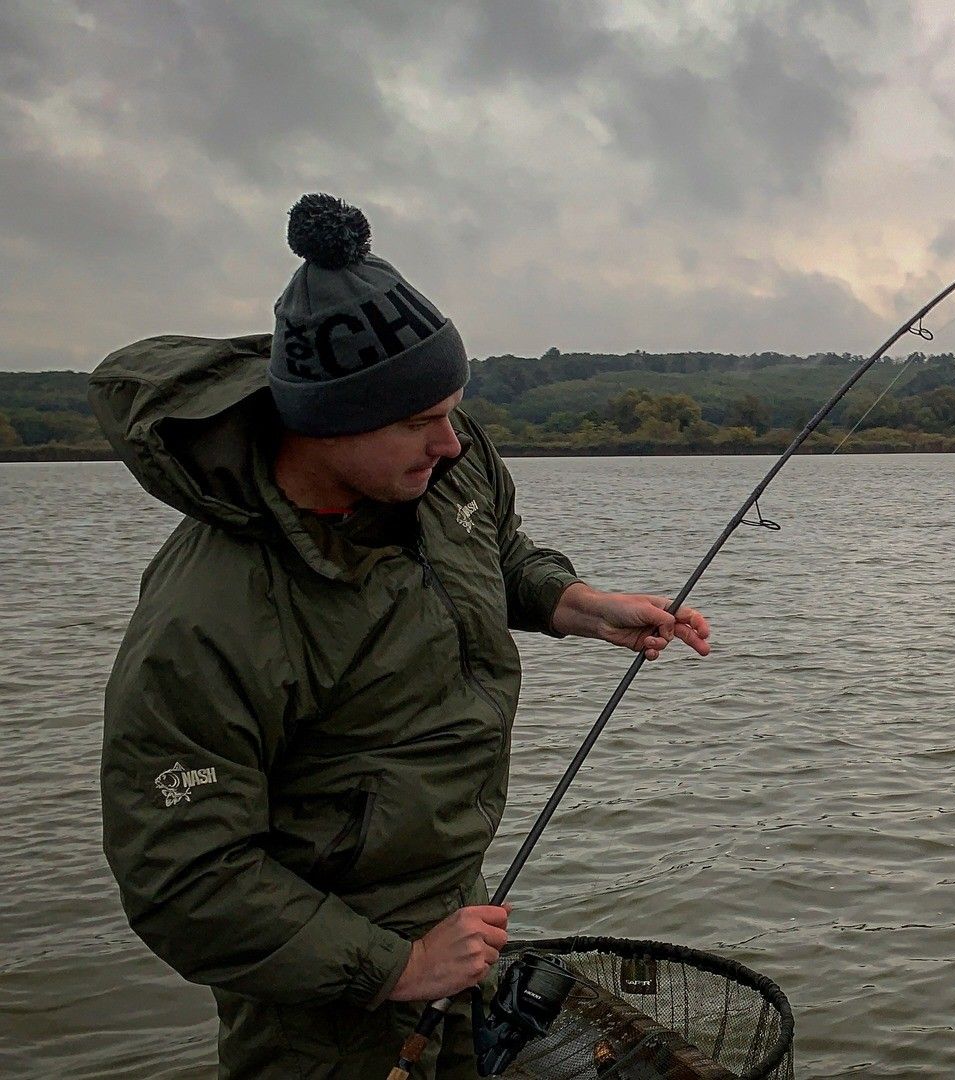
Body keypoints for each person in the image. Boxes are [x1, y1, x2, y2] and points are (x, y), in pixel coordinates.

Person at [92, 194, 711, 1078]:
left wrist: (577, 603)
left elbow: (495, 554)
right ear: (325, 422)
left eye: (452, 410)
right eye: (420, 423)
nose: (452, 443)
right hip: (319, 1005)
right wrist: (396, 968)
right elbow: (184, 877)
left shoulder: (443, 472)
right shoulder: (205, 617)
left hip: (461, 926)